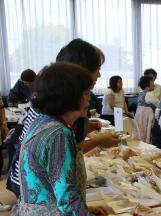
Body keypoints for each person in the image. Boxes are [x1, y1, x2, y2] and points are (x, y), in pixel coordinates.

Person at [5, 63, 132, 216]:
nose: (89, 97)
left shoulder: (43, 122)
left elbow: (49, 185)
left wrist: (84, 210)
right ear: (69, 96)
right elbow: (65, 196)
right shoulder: (57, 134)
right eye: (86, 92)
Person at [6, 38, 120, 198]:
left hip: (35, 187)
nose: (99, 74)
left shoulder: (51, 93)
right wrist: (99, 141)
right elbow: (63, 152)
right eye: (97, 69)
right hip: (37, 191)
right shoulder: (55, 112)